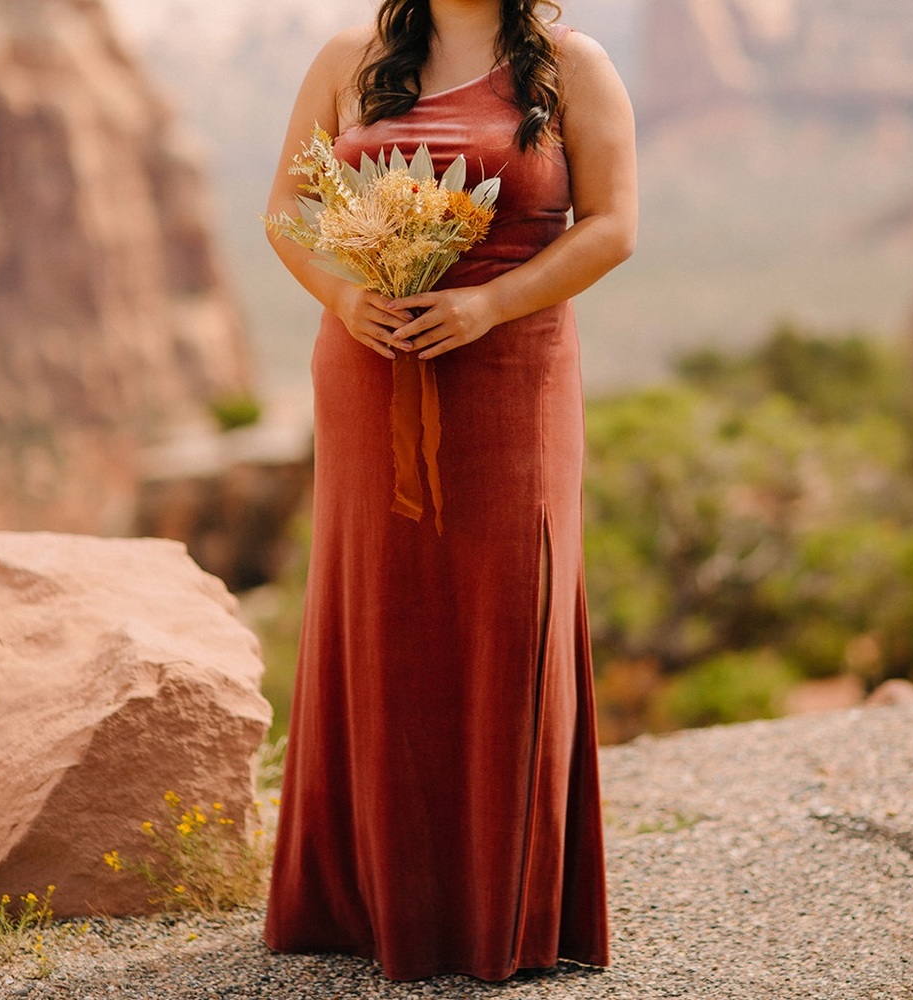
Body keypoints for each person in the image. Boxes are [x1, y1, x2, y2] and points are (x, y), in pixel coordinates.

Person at [263, 0, 637, 982]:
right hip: (368, 369)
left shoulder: (572, 65)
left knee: (506, 613)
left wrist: (485, 304)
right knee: (378, 609)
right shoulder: (351, 56)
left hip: (512, 375)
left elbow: (613, 227)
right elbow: (284, 211)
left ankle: (497, 906)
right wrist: (345, 294)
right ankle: (366, 899)